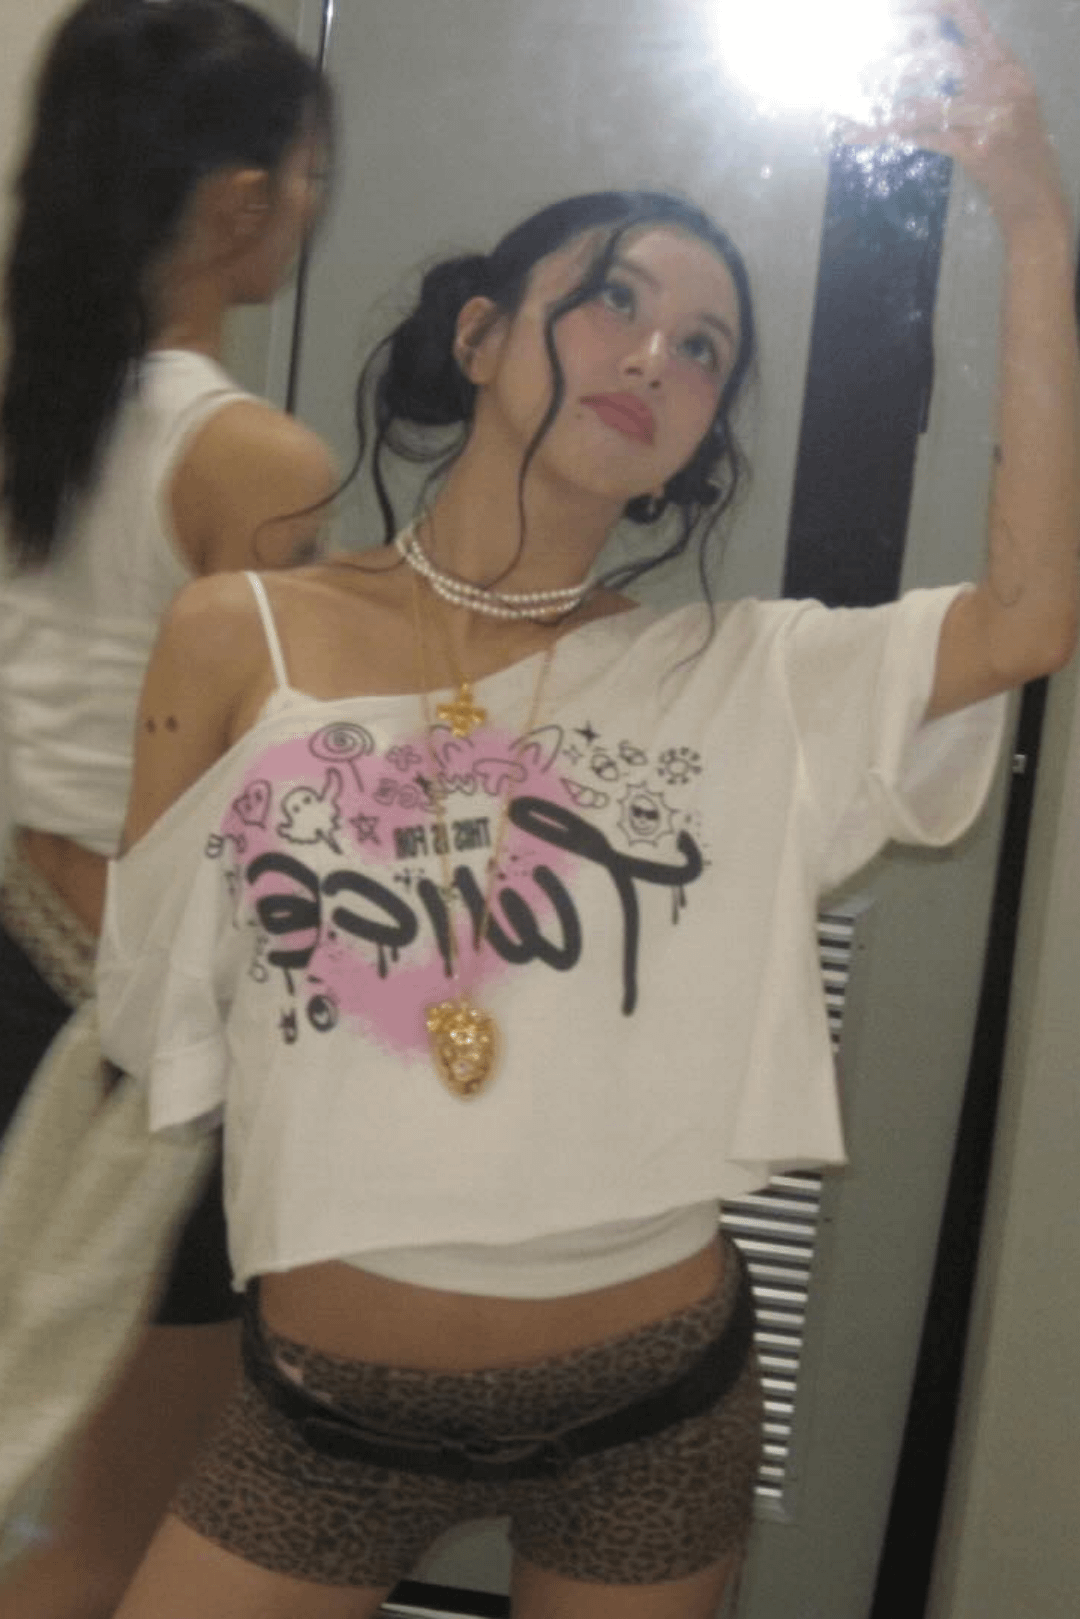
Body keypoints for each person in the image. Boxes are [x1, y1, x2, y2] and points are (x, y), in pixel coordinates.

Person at [99, 5, 1077, 1616]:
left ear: (693, 444)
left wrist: (1031, 212)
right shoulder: (239, 635)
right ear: (483, 337)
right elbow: (157, 1009)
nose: (654, 356)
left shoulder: (741, 674)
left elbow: (1031, 617)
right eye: (614, 298)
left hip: (651, 1402)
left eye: (704, 350)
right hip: (321, 1413)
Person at [0, 1, 336, 1613]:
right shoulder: (255, 460)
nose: (312, 205)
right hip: (134, 1032)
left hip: (18, 954)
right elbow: (278, 788)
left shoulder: (33, 411)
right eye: (311, 173)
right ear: (240, 201)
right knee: (112, 1545)